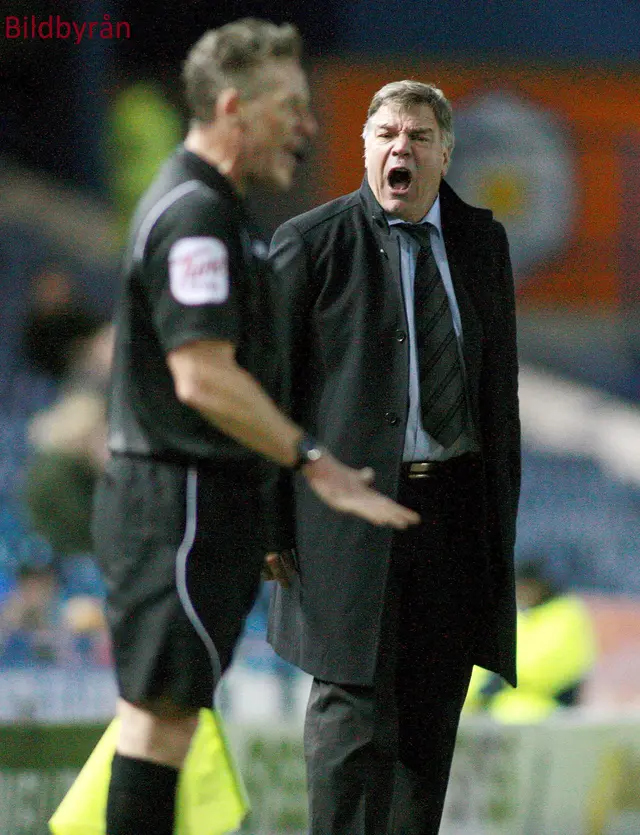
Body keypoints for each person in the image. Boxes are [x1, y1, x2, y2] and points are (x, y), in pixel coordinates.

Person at [91, 21, 419, 835]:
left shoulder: (221, 210)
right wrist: (313, 461)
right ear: (234, 107)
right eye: (292, 107)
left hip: (199, 503)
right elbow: (201, 374)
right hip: (175, 501)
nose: (309, 126)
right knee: (159, 720)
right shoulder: (197, 212)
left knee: (166, 717)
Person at [265, 79, 521, 834]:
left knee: (429, 720)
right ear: (366, 147)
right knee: (349, 716)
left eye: (416, 136)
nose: (399, 148)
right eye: (385, 135)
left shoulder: (483, 242)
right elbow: (270, 396)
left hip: (450, 514)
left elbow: (496, 397)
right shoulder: (310, 243)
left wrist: (494, 526)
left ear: (446, 151)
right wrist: (273, 525)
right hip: (343, 513)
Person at [464, 559, 596, 722]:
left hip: (547, 706)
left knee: (515, 713)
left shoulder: (565, 614)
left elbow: (547, 666)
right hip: (502, 703)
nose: (521, 592)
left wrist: (500, 678)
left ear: (542, 585)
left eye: (526, 586)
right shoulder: (518, 615)